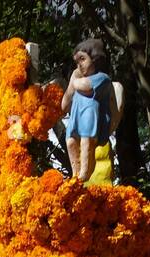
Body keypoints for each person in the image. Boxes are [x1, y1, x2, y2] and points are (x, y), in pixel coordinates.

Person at [61, 39, 118, 182]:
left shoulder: (102, 78)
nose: (79, 65)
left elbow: (85, 86)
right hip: (76, 116)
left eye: (82, 59)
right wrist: (71, 84)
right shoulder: (77, 78)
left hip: (89, 115)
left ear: (95, 59)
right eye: (76, 62)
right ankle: (75, 174)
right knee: (70, 142)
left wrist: (74, 79)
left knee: (86, 143)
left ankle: (84, 174)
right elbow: (64, 105)